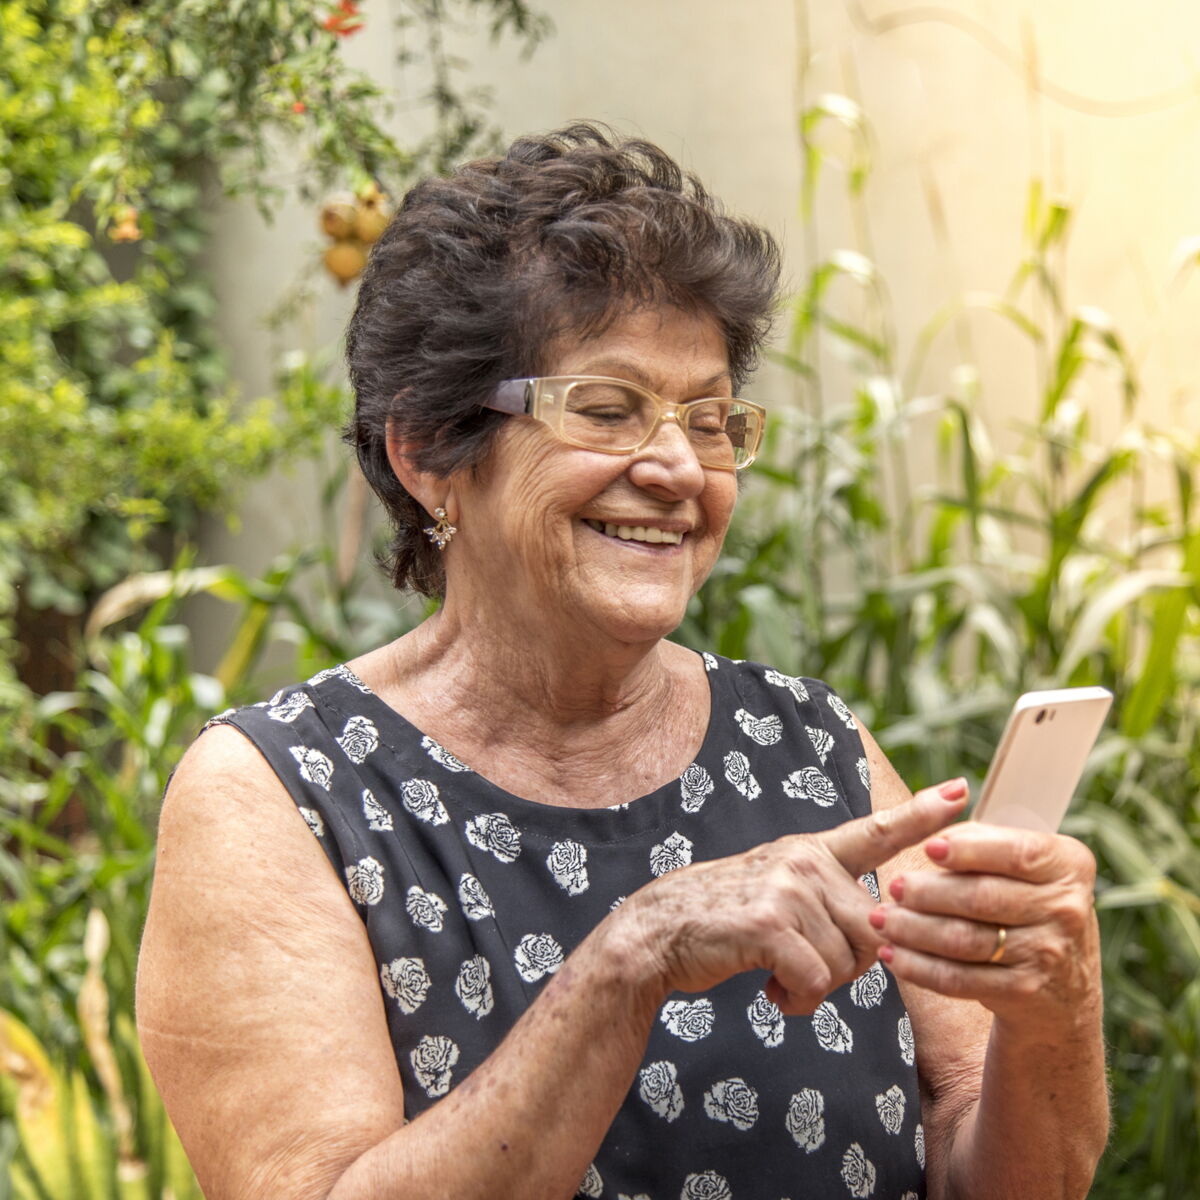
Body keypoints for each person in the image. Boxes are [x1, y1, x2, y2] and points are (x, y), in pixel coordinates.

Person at [136, 123, 1108, 1199]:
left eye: (710, 418)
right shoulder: (284, 794)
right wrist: (634, 955)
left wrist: (1053, 1012)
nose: (680, 468)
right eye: (606, 410)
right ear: (426, 454)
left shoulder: (808, 743)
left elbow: (996, 1170)